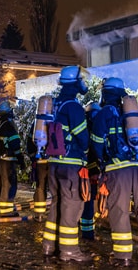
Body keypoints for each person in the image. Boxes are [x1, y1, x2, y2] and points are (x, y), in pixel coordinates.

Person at [90, 77, 138, 267]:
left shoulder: (104, 113)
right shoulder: (135, 113)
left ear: (105, 93)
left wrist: (101, 165)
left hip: (118, 169)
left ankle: (123, 256)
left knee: (120, 211)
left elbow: (97, 144)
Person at [41, 66, 92, 263]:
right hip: (71, 165)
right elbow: (82, 137)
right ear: (75, 82)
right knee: (71, 207)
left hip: (54, 163)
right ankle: (69, 251)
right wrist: (86, 152)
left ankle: (49, 246)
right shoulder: (73, 106)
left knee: (56, 205)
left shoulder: (54, 105)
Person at [0, 100, 25, 217]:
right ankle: (6, 210)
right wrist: (21, 160)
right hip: (7, 160)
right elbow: (15, 143)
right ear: (9, 111)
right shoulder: (8, 124)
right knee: (8, 184)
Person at [80, 101, 101, 241]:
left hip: (82, 169)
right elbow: (94, 151)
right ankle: (88, 233)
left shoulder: (83, 126)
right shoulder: (96, 127)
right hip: (91, 170)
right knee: (88, 200)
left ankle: (85, 229)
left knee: (84, 200)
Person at [26, 122, 48, 222]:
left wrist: (33, 157)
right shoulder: (58, 117)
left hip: (40, 160)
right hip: (55, 160)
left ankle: (39, 215)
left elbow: (30, 142)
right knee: (57, 188)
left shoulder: (37, 123)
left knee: (40, 187)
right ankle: (57, 216)